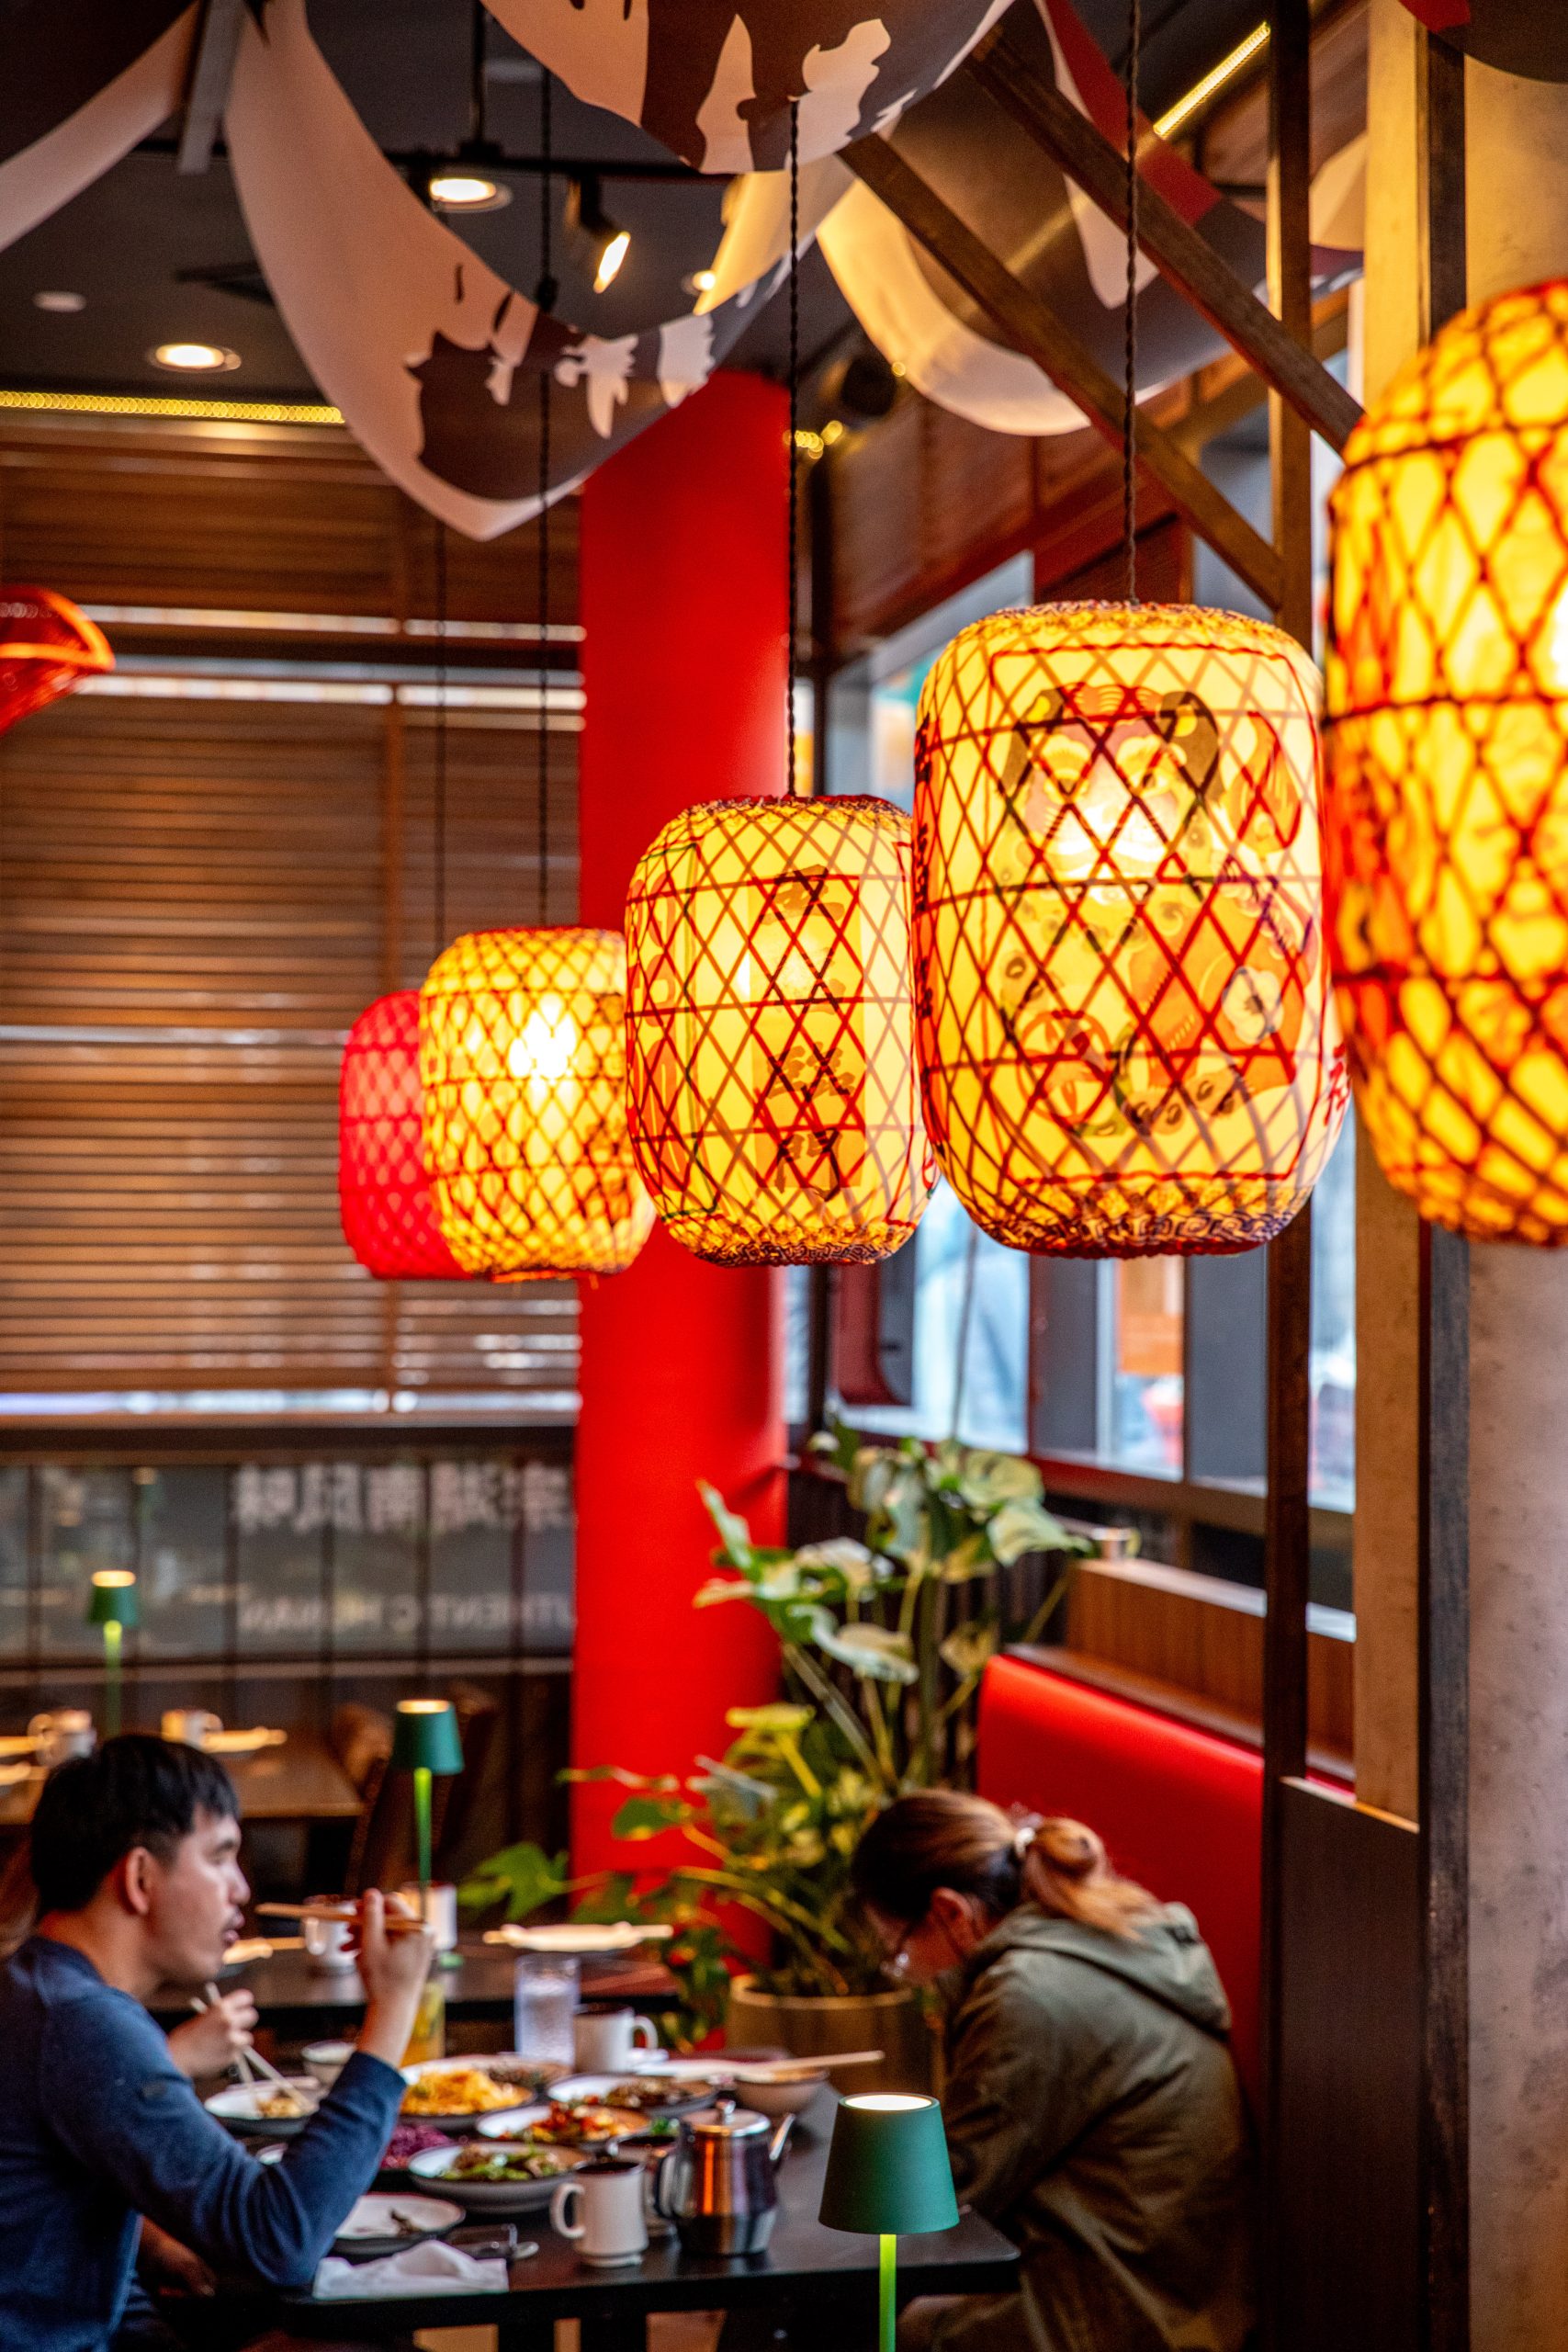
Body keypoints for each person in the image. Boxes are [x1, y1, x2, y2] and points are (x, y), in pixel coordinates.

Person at [0, 1733, 435, 2352]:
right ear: (141, 1876)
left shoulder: (41, 1987)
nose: (241, 1889)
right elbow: (280, 2240)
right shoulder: (82, 2024)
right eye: (220, 1856)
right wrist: (393, 2011)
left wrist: (147, 2241)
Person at [852, 1790, 1255, 2352]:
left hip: (1124, 2313)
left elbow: (946, 2199)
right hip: (1175, 2293)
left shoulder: (1028, 1997)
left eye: (898, 1949)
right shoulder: (1098, 1937)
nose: (909, 1972)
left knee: (838, 2315)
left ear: (950, 1913)